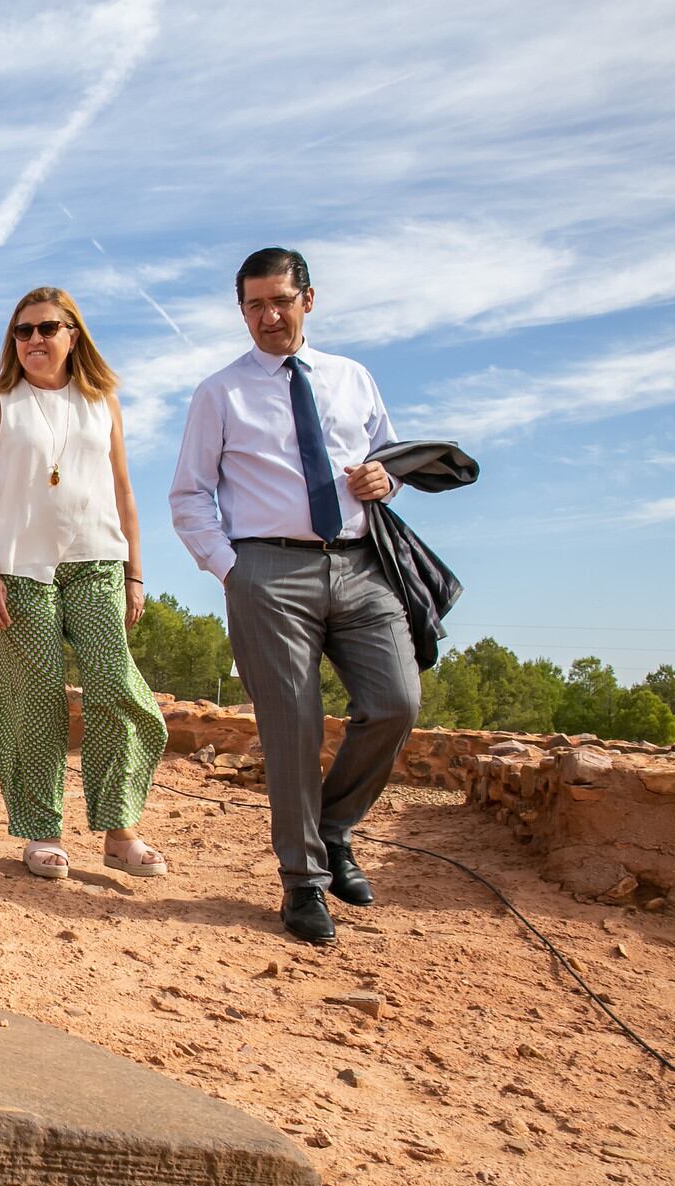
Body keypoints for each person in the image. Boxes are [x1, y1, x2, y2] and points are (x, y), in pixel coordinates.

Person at [170, 247, 414, 947]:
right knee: (292, 726)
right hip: (267, 572)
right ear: (241, 311)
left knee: (397, 701)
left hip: (363, 565)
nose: (268, 316)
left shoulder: (353, 377)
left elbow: (388, 459)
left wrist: (382, 481)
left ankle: (332, 829)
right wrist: (231, 569)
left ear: (310, 298)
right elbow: (189, 495)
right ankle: (304, 881)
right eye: (254, 305)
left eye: (280, 300)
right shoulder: (220, 392)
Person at [0, 287, 168, 879]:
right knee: (36, 698)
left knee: (114, 685)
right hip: (19, 567)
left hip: (99, 559)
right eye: (21, 332)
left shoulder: (103, 400)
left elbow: (124, 490)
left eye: (46, 328)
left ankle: (119, 828)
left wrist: (135, 571)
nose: (32, 341)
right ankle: (43, 830)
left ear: (73, 333)